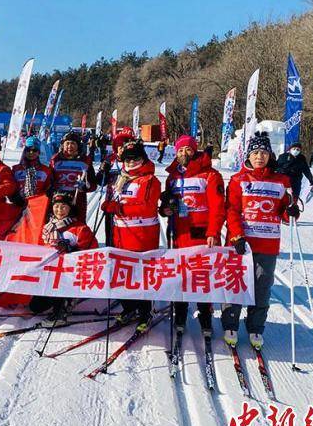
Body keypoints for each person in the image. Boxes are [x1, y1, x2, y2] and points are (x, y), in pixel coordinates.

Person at [222, 132, 298, 349]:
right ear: (249, 155)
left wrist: (291, 211)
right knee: (235, 283)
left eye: (263, 153)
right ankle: (230, 323)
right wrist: (236, 235)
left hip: (267, 242)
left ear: (270, 155)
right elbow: (232, 210)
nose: (259, 157)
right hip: (241, 243)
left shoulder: (282, 181)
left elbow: (286, 210)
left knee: (262, 285)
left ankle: (255, 326)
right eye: (255, 153)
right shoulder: (239, 180)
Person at [160, 135, 225, 335]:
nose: (183, 153)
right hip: (179, 233)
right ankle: (180, 313)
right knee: (180, 274)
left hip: (201, 233)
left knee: (201, 276)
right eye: (180, 150)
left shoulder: (210, 175)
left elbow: (218, 207)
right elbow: (166, 204)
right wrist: (166, 210)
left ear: (194, 151)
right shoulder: (173, 177)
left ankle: (205, 315)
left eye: (188, 149)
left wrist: (213, 231)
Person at [100, 141, 161, 330]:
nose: (132, 162)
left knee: (140, 275)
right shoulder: (121, 178)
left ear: (143, 159)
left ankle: (145, 312)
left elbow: (146, 207)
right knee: (122, 273)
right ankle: (129, 308)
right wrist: (108, 202)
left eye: (136, 158)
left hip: (142, 236)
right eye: (128, 159)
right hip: (120, 235)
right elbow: (112, 199)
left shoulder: (150, 180)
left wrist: (117, 208)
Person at [31, 191, 98, 324]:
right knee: (36, 307)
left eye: (63, 207)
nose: (59, 210)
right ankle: (63, 300)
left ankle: (61, 311)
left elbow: (92, 251)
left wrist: (72, 250)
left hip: (70, 274)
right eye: (56, 206)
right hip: (49, 273)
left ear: (70, 208)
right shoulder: (47, 227)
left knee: (60, 287)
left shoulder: (79, 228)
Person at [49, 130, 97, 222]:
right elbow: (49, 180)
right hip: (59, 199)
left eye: (73, 143)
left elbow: (93, 184)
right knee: (58, 226)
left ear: (78, 145)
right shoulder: (55, 159)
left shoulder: (85, 160)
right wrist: (50, 189)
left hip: (77, 199)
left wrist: (85, 187)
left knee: (77, 226)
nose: (70, 146)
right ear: (63, 145)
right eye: (67, 143)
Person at [96, 131, 132, 246]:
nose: (122, 150)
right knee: (111, 235)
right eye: (120, 147)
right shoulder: (110, 159)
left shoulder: (135, 160)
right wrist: (103, 171)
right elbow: (100, 182)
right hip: (111, 202)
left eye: (125, 147)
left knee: (127, 235)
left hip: (128, 203)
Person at [11, 136, 52, 205]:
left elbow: (49, 188)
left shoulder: (46, 170)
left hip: (38, 205)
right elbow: (11, 186)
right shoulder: (16, 169)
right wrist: (14, 197)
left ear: (39, 152)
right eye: (28, 150)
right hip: (18, 204)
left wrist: (43, 198)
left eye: (34, 150)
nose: (31, 153)